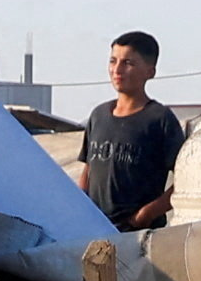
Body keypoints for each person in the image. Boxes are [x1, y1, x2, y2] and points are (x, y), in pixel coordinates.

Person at [74, 31, 183, 229]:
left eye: (128, 63)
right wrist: (80, 206)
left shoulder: (160, 120)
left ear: (150, 71)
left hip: (139, 235)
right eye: (113, 61)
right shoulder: (99, 116)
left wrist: (146, 214)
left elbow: (187, 179)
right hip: (96, 229)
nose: (117, 70)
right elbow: (89, 168)